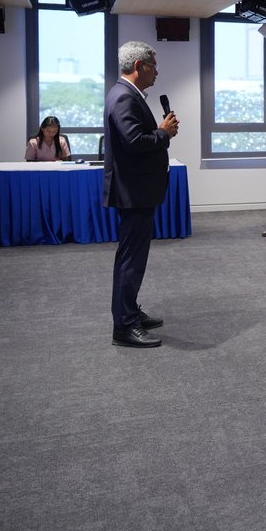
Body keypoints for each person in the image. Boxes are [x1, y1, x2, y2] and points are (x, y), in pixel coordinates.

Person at [103, 41, 178, 348]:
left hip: (137, 190)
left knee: (133, 257)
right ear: (138, 67)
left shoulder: (126, 94)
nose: (156, 72)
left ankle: (129, 310)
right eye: (153, 67)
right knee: (131, 260)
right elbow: (135, 141)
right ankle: (124, 326)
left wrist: (161, 134)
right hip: (133, 192)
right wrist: (163, 132)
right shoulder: (124, 97)